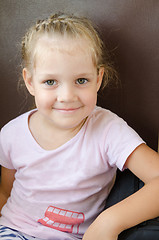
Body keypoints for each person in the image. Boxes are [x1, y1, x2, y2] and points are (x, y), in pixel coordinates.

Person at [0, 13, 159, 240]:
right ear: (30, 82)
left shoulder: (108, 130)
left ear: (98, 79)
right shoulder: (11, 135)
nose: (66, 96)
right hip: (13, 231)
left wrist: (110, 222)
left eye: (81, 81)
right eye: (50, 82)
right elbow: (5, 192)